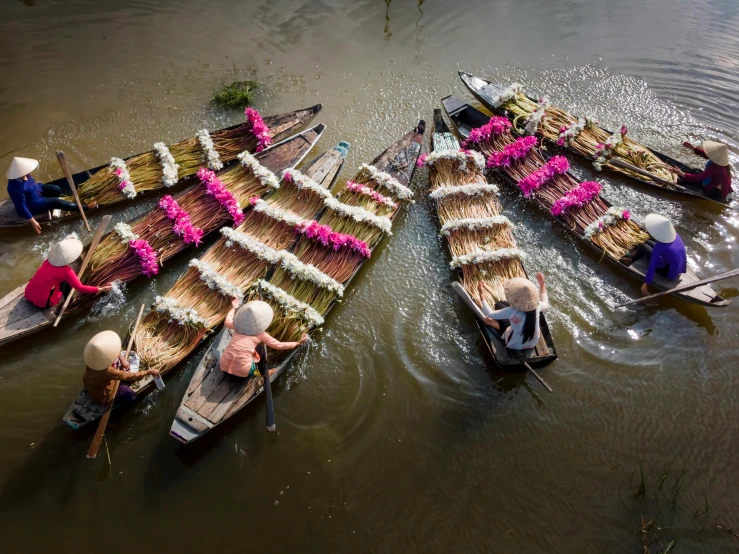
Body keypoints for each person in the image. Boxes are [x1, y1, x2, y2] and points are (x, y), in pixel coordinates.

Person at [6, 156, 98, 235]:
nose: (29, 172)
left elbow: (30, 185)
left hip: (35, 190)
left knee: (55, 189)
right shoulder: (16, 188)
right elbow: (22, 206)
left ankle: (51, 205)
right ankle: (86, 207)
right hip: (33, 204)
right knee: (56, 201)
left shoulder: (24, 175)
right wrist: (33, 221)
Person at [219, 298, 308, 378]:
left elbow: (227, 321)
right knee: (258, 353)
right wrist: (298, 343)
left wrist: (234, 307)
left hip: (223, 366)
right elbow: (279, 345)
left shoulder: (236, 325)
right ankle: (259, 374)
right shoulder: (261, 334)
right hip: (242, 373)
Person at [24, 237, 112, 309]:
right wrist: (101, 289)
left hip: (28, 293)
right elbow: (80, 288)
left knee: (55, 279)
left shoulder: (47, 261)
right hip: (43, 303)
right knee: (66, 282)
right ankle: (69, 301)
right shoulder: (66, 271)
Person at [82, 330, 160, 405]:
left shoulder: (91, 360)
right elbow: (130, 376)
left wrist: (122, 359)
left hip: (91, 385)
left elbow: (113, 351)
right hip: (102, 395)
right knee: (131, 396)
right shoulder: (108, 371)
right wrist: (148, 372)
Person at [476, 273, 548, 351]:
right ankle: (499, 325)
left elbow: (489, 313)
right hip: (532, 343)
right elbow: (545, 303)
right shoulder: (538, 305)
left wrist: (481, 293)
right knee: (504, 305)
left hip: (513, 344)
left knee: (499, 305)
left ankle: (496, 325)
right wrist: (542, 284)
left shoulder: (512, 311)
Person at [620, 213, 687, 296]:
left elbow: (652, 266)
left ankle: (632, 261)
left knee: (643, 246)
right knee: (645, 241)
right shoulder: (676, 236)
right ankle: (636, 254)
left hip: (668, 272)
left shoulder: (659, 247)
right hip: (677, 267)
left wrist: (645, 285)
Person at [669, 140, 733, 202]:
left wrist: (682, 174)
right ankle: (679, 176)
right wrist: (692, 148)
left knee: (692, 181)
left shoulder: (716, 167)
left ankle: (675, 184)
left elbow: (698, 178)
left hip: (716, 193)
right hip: (718, 186)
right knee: (696, 171)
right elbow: (706, 154)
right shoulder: (722, 163)